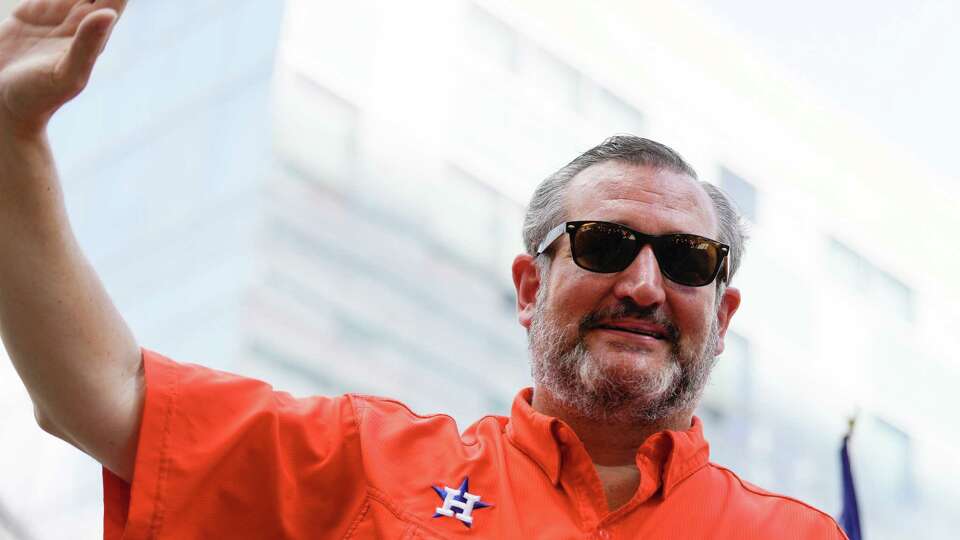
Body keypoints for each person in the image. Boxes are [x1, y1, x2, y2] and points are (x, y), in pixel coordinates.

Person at [0, 1, 847, 538]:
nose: (644, 284)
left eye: (687, 258)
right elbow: (99, 397)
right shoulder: (368, 465)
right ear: (529, 288)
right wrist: (10, 140)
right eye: (603, 244)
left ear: (724, 314)